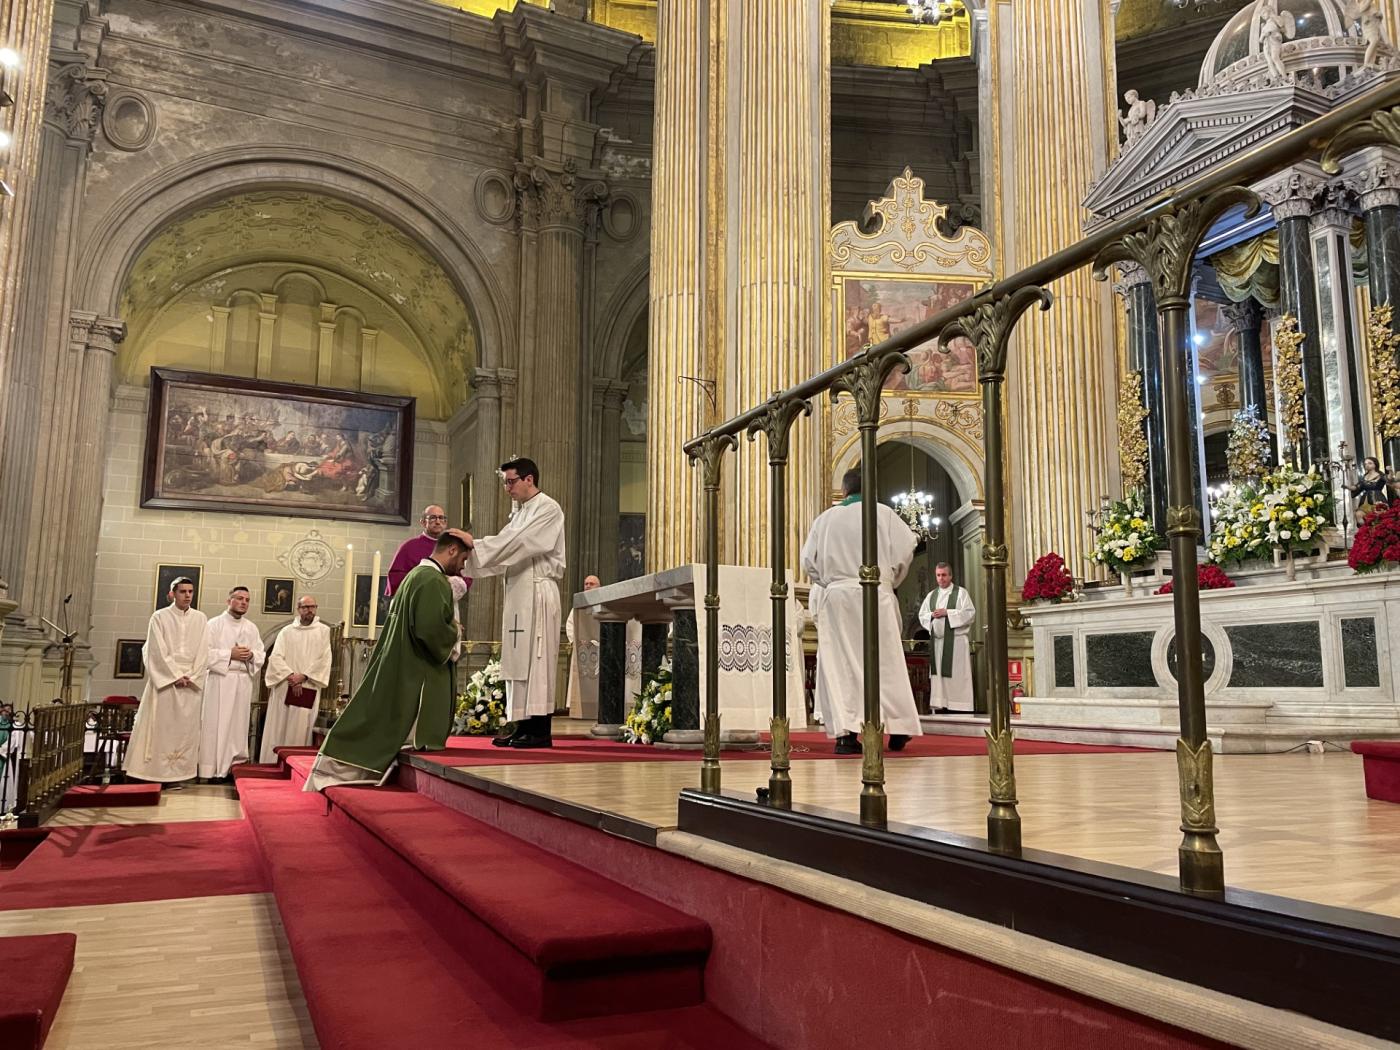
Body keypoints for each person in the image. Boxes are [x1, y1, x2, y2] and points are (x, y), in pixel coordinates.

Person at [303, 532, 469, 791]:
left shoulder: (415, 576)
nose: (462, 567)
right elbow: (429, 629)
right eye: (463, 559)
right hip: (418, 668)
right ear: (451, 550)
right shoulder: (433, 580)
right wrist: (455, 631)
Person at [800, 467, 922, 755]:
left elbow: (808, 561)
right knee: (886, 662)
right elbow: (907, 550)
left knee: (841, 666)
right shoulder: (885, 514)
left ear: (844, 491)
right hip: (877, 593)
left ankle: (846, 736)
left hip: (838, 599)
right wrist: (890, 580)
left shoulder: (825, 519)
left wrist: (830, 582)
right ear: (871, 490)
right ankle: (899, 728)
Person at [461, 457, 567, 749]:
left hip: (538, 590)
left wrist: (476, 545)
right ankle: (522, 725)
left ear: (529, 479)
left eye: (511, 481)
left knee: (537, 661)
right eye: (505, 482)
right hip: (520, 590)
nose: (507, 488)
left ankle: (540, 730)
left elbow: (521, 543)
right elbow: (505, 549)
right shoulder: (520, 513)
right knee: (518, 660)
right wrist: (472, 555)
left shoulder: (548, 508)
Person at [125, 577, 211, 785]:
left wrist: (192, 676)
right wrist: (174, 675)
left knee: (185, 731)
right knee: (161, 728)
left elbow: (204, 650)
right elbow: (156, 650)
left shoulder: (200, 618)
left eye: (190, 591)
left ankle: (178, 775)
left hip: (190, 684)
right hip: (166, 682)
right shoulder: (159, 617)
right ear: (173, 594)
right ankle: (154, 774)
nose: (188, 595)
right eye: (183, 591)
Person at [200, 586, 266, 780]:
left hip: (243, 681)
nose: (244, 602)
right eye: (239, 598)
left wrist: (251, 655)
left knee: (238, 726)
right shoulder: (214, 625)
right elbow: (203, 654)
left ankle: (234, 767)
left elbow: (260, 653)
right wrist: (230, 654)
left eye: (247, 600)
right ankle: (213, 769)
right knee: (218, 724)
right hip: (220, 680)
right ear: (228, 601)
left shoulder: (251, 628)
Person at [259, 595, 332, 763]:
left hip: (308, 686)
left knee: (300, 727)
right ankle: (273, 762)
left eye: (312, 607)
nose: (309, 610)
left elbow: (324, 659)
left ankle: (295, 764)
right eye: (305, 607)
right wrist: (291, 676)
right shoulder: (287, 631)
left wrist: (303, 676)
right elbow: (275, 657)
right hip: (284, 686)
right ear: (298, 609)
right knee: (279, 726)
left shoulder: (323, 631)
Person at [919, 563, 977, 715]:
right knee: (939, 677)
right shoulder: (931, 595)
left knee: (957, 677)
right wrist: (931, 615)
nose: (941, 578)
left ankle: (960, 707)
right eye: (938, 575)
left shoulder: (961, 593)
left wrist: (947, 613)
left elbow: (970, 613)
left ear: (950, 576)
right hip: (938, 644)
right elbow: (922, 615)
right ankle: (940, 705)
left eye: (944, 575)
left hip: (956, 643)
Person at [385, 504, 472, 601]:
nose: (438, 522)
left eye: (441, 518)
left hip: (446, 600)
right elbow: (395, 577)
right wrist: (424, 582)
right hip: (417, 601)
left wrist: (448, 583)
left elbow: (466, 575)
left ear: (445, 522)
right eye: (432, 518)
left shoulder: (454, 547)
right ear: (423, 522)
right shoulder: (409, 547)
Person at [565, 575, 602, 720]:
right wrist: (575, 642)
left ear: (599, 586)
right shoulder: (578, 607)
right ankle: (579, 709)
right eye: (586, 583)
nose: (587, 586)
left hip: (600, 649)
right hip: (583, 650)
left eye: (591, 584)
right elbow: (570, 624)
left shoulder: (604, 603)